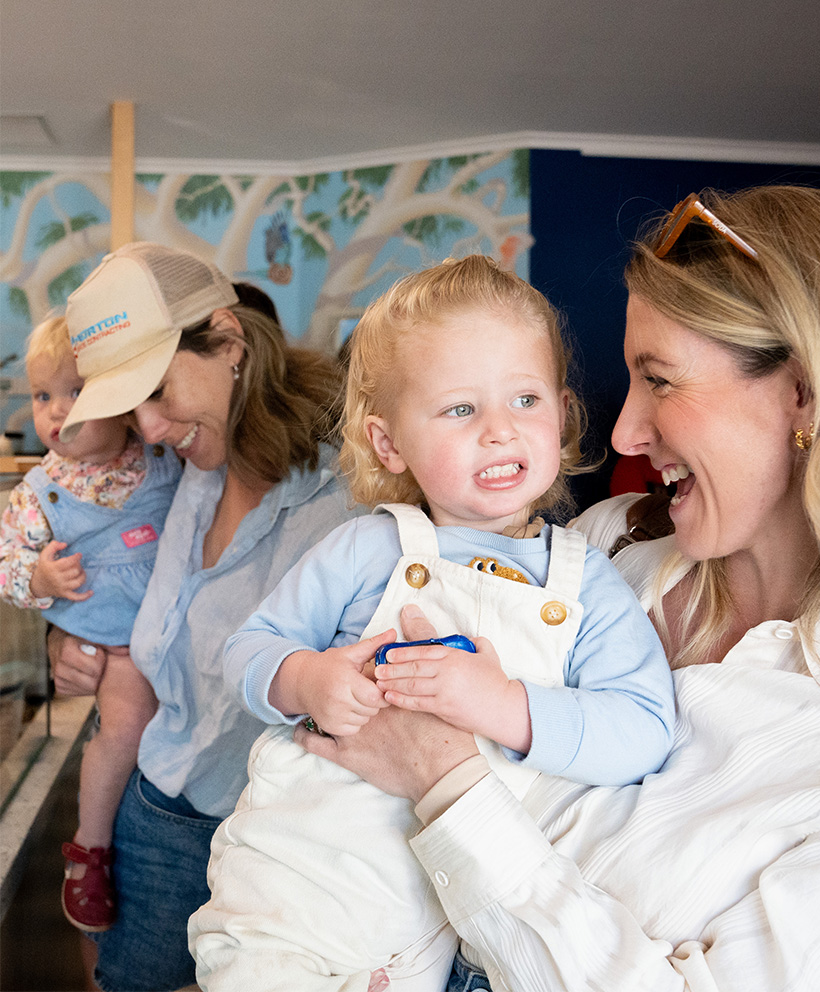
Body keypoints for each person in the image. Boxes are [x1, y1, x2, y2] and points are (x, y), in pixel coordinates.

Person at [291, 186, 820, 992]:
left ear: (806, 392)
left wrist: (447, 783)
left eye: (659, 380)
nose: (623, 432)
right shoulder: (606, 549)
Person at [189, 255, 676, 991]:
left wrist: (502, 704)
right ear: (389, 443)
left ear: (564, 411)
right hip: (296, 885)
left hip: (438, 927)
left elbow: (644, 729)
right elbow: (249, 649)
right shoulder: (368, 546)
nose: (498, 431)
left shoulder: (585, 583)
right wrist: (308, 678)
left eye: (525, 400)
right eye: (459, 409)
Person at [46, 242, 356, 992]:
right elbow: (130, 599)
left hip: (278, 837)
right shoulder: (182, 467)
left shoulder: (353, 487)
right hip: (155, 804)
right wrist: (70, 636)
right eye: (131, 407)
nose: (149, 429)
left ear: (229, 340)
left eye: (158, 391)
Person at [0, 314, 180, 933]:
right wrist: (41, 580)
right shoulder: (38, 491)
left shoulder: (163, 459)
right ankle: (90, 850)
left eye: (76, 392)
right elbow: (6, 563)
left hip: (176, 632)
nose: (56, 411)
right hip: (118, 646)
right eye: (43, 395)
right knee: (125, 726)